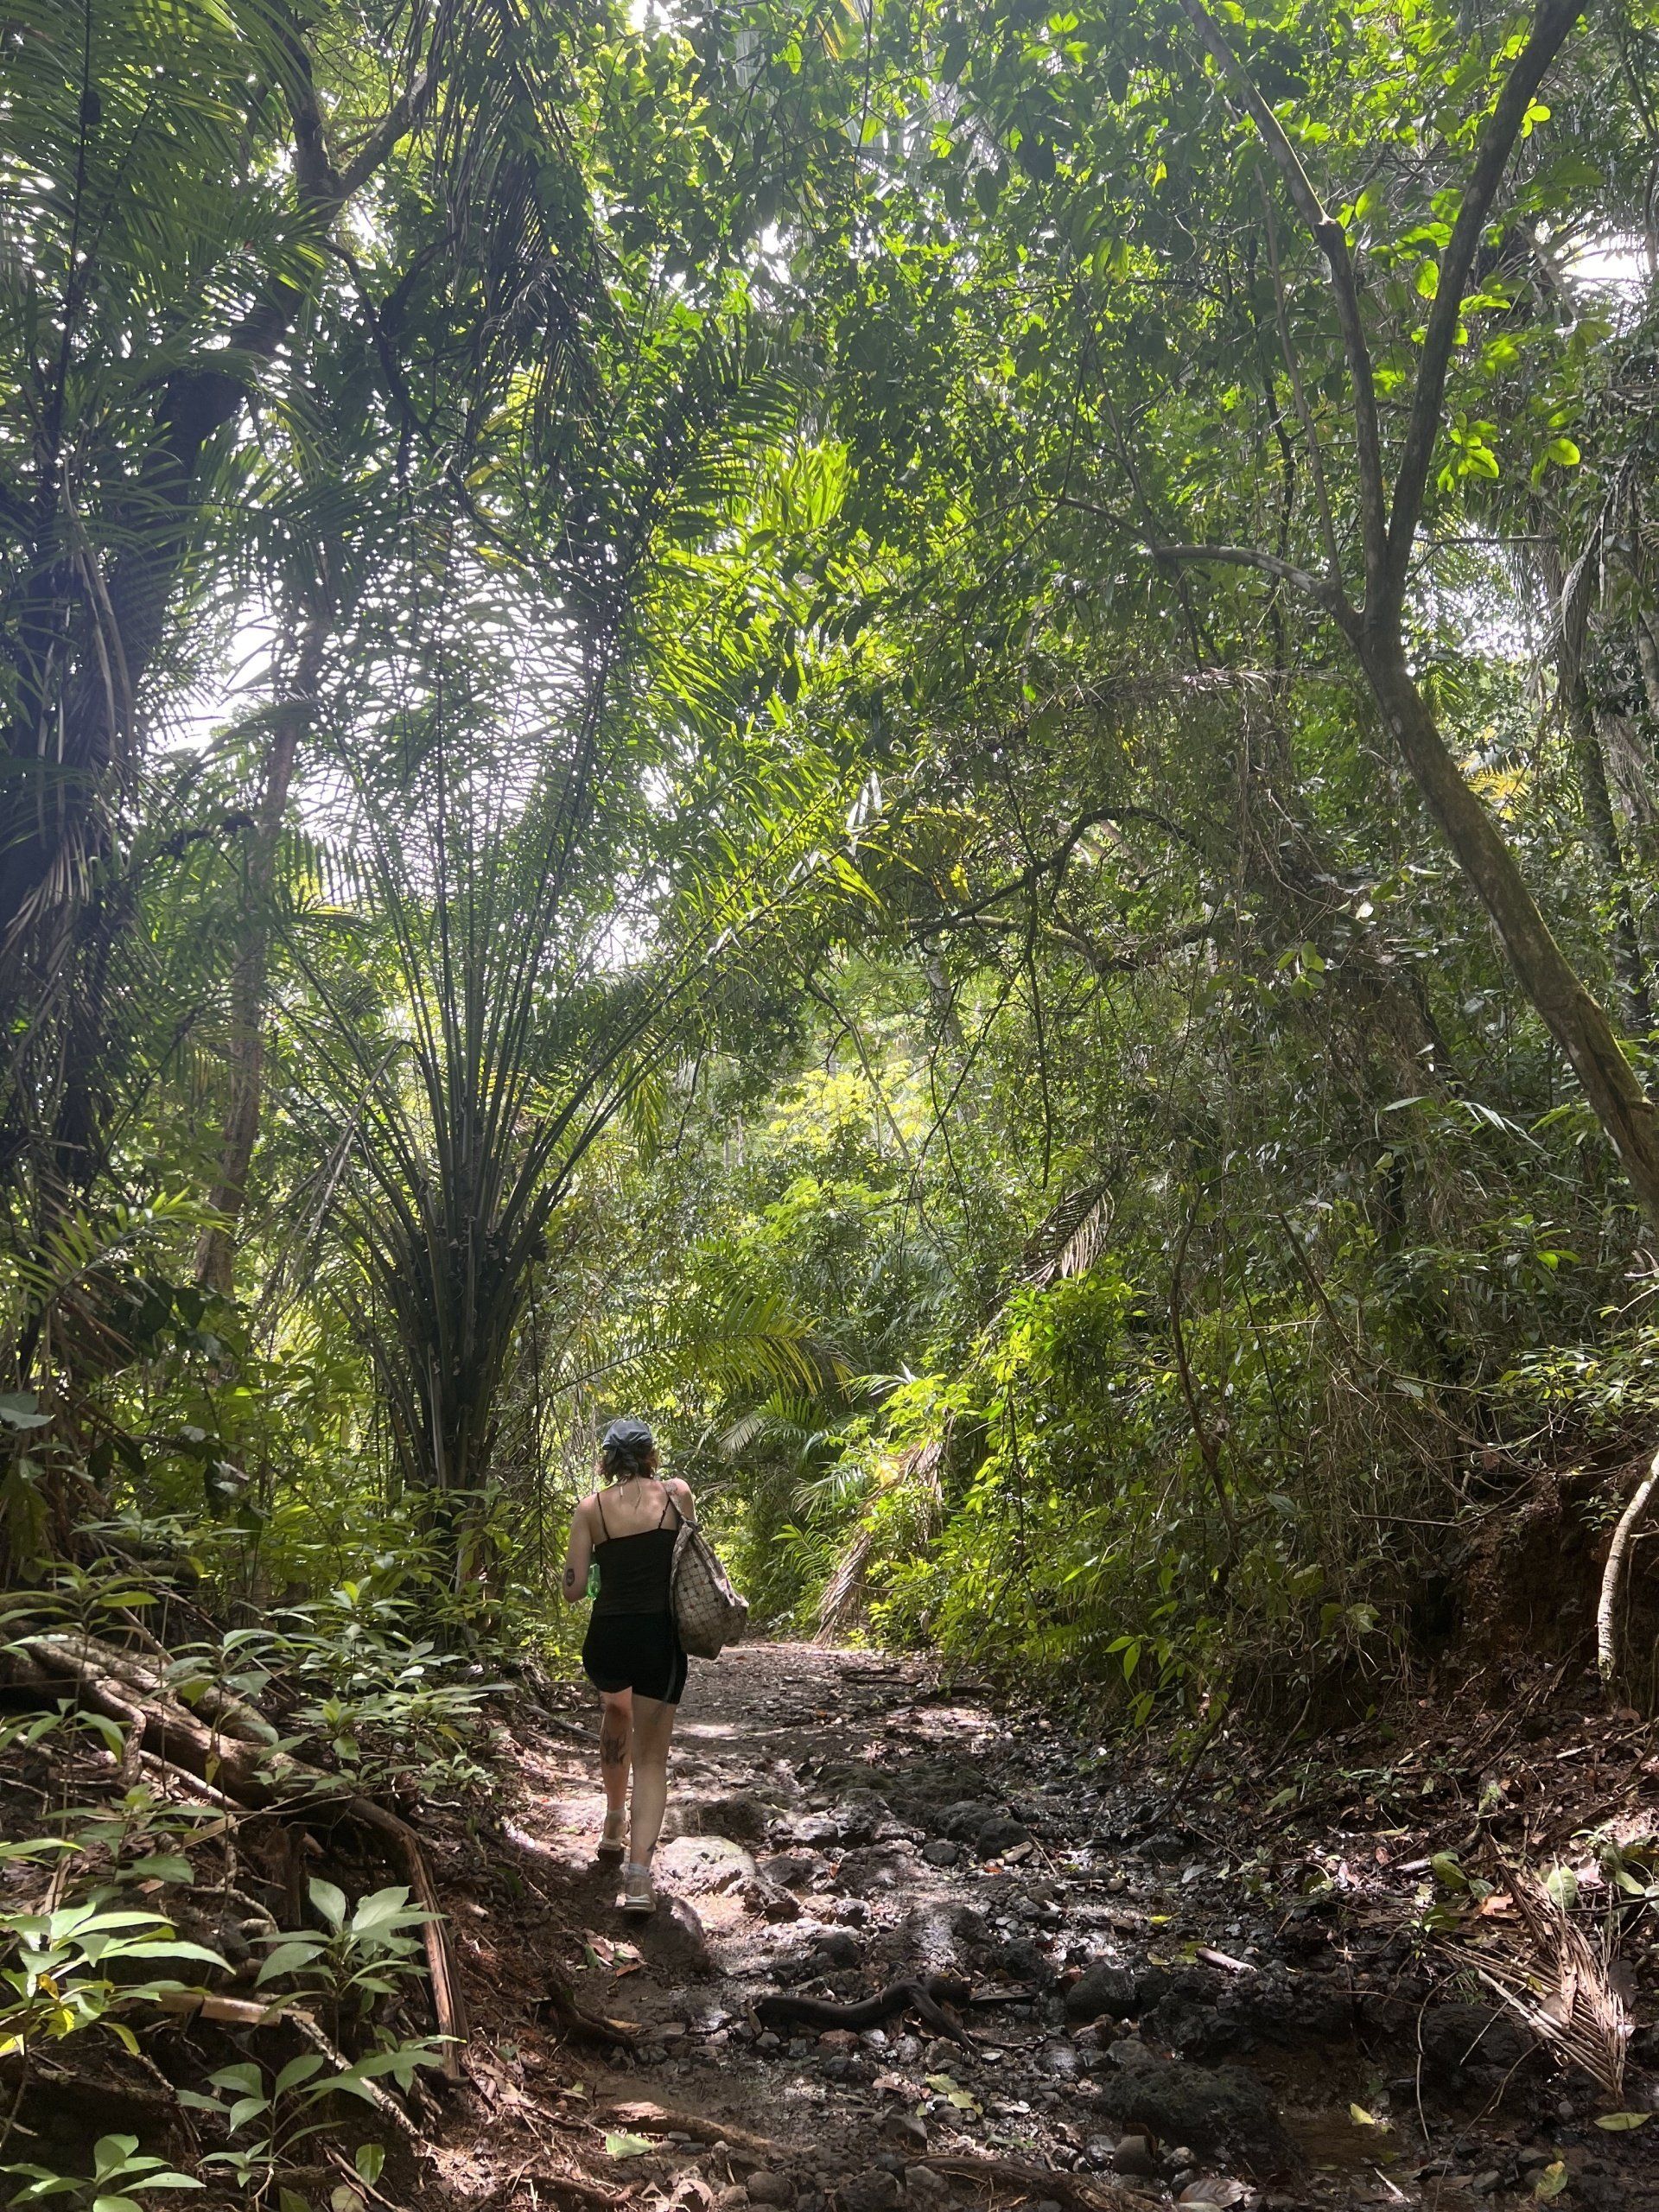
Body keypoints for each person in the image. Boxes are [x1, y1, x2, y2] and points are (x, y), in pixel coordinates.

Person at [561, 1416, 695, 1916]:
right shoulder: (677, 1493)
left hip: (609, 1637)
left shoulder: (590, 1509)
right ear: (650, 1455)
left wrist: (588, 1561)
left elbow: (574, 1590)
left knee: (616, 1712)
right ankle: (638, 1879)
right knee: (654, 1759)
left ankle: (613, 1822)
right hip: (659, 1637)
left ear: (607, 1461)